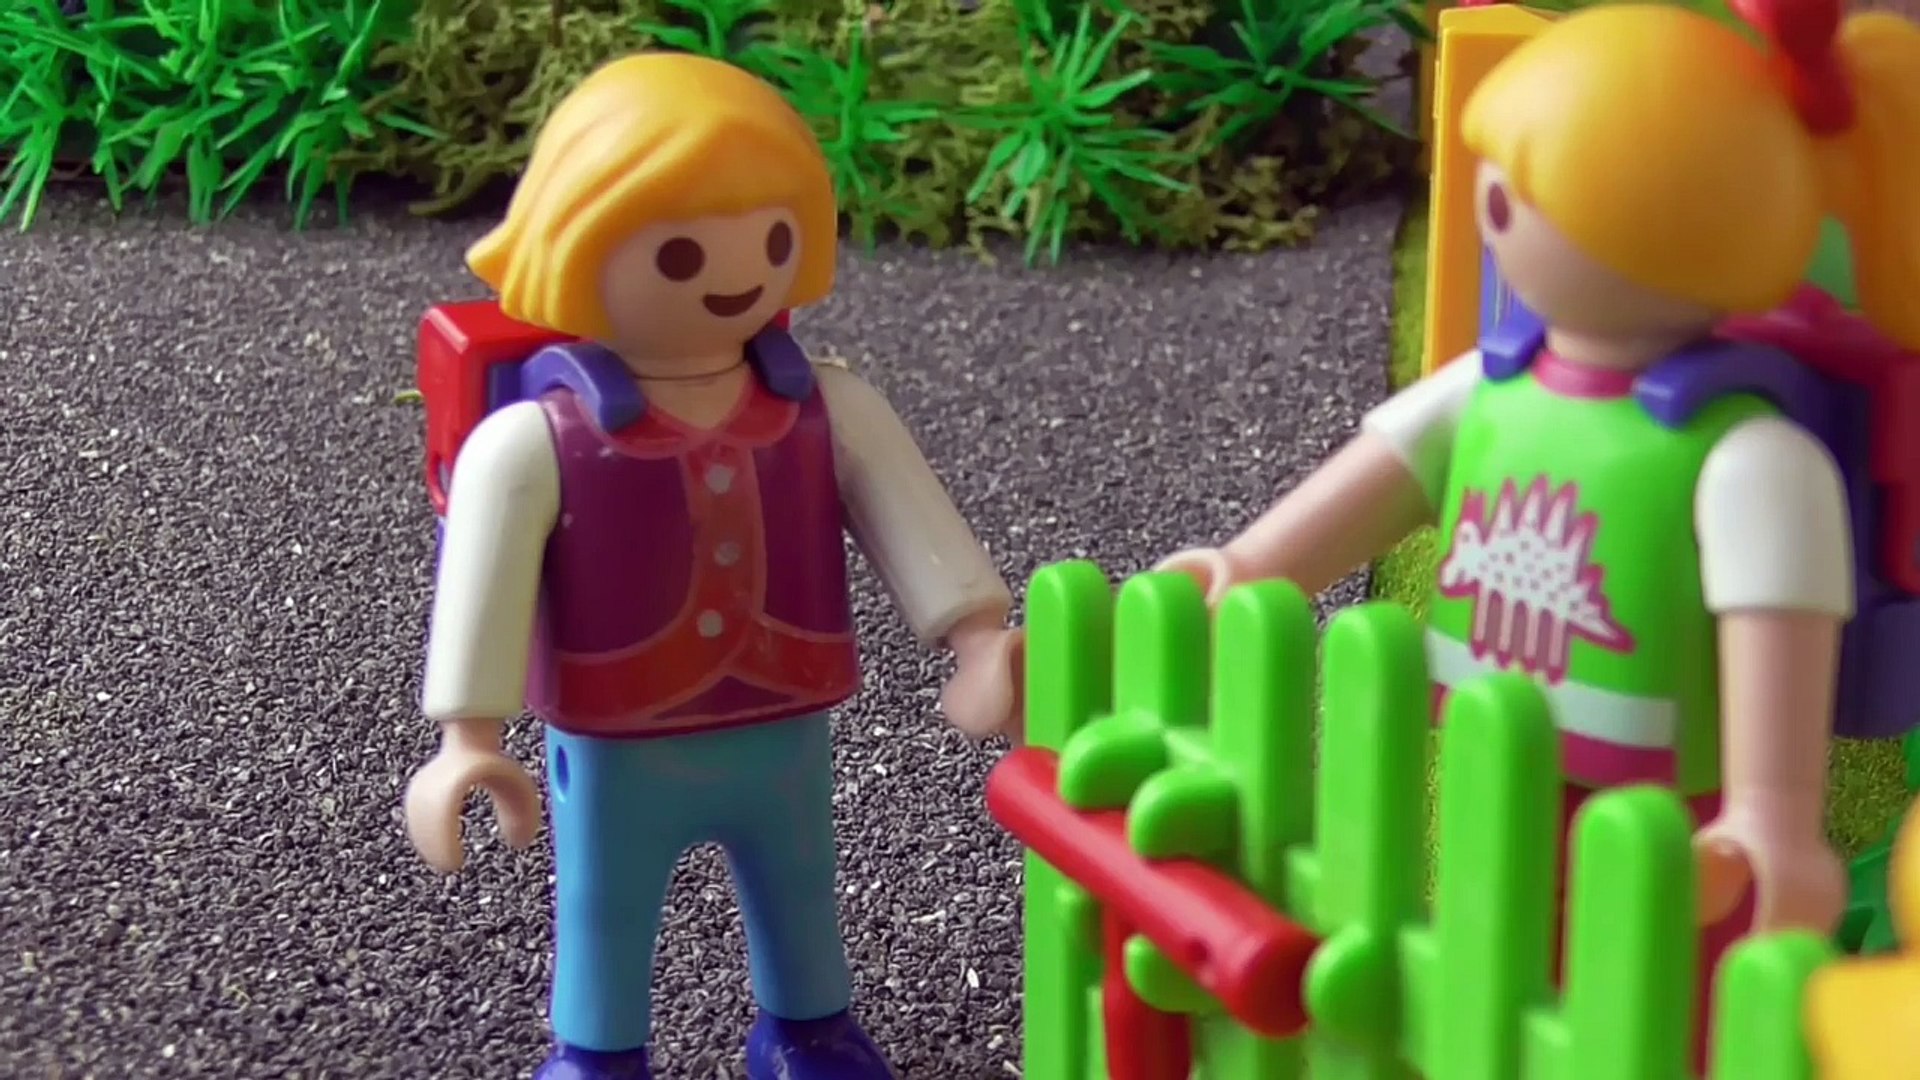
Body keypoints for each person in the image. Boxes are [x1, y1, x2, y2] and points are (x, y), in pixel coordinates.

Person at [1156, 2, 1920, 1068]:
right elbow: (1376, 482)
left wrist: (1771, 814)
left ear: (1666, 221)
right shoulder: (1494, 386)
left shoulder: (1745, 454)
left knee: (1658, 1007)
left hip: (1663, 807)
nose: (1492, 199)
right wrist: (1251, 565)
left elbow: (1776, 635)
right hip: (1489, 754)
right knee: (1489, 963)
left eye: (1525, 184)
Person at [402, 53, 1024, 1080]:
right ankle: (599, 1054)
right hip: (621, 734)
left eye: (774, 238)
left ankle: (811, 1031)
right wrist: (466, 737)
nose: (736, 275)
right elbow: (485, 575)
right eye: (680, 253)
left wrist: (977, 638)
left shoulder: (824, 406)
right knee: (606, 900)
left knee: (800, 880)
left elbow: (913, 518)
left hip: (781, 717)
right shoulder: (536, 439)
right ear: (574, 245)